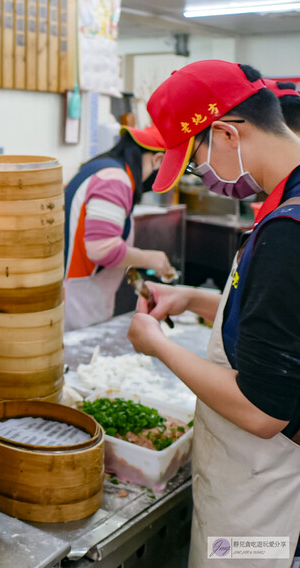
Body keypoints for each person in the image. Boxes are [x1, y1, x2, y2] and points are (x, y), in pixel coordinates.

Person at [127, 60, 300, 567]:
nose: (202, 178)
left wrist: (158, 344)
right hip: (258, 483)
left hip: (262, 507)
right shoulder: (285, 203)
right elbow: (278, 317)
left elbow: (264, 410)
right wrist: (192, 298)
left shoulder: (288, 232)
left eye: (196, 160)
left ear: (226, 132)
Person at [62, 124, 174, 330]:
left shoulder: (100, 167)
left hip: (77, 293)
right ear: (157, 160)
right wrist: (152, 258)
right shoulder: (115, 179)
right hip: (79, 300)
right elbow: (103, 249)